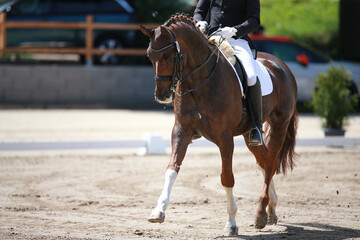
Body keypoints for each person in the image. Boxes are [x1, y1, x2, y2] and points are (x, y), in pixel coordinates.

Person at [194, 0, 263, 146]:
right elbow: (199, 11)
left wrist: (235, 30)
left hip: (236, 40)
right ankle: (192, 120)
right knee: (193, 69)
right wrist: (199, 22)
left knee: (250, 76)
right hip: (211, 40)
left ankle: (256, 126)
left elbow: (254, 20)